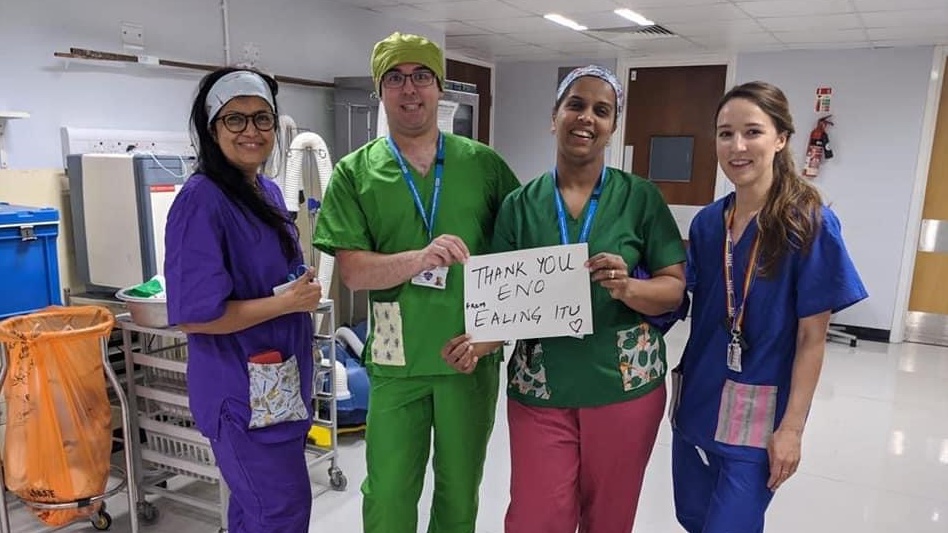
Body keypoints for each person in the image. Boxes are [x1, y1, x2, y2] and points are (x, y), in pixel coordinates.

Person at [446, 65, 688, 533]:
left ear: (613, 126)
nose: (587, 118)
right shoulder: (520, 205)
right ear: (554, 116)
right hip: (542, 386)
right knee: (537, 516)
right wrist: (477, 343)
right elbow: (502, 306)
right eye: (575, 104)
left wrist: (627, 287)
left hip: (623, 386)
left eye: (602, 110)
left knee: (609, 516)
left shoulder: (640, 198)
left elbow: (673, 289)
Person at [312, 32, 521, 533]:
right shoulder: (355, 173)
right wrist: (419, 258)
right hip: (394, 354)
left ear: (439, 87)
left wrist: (497, 335)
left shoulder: (482, 165)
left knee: (459, 488)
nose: (410, 90)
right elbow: (355, 272)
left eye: (422, 76)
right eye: (396, 78)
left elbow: (521, 256)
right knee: (387, 489)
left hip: (467, 352)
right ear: (380, 91)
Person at [670, 81, 868, 533]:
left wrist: (793, 430)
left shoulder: (808, 223)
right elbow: (683, 297)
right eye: (725, 133)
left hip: (757, 414)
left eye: (752, 132)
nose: (737, 146)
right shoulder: (706, 224)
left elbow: (812, 338)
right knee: (693, 518)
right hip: (698, 398)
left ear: (781, 139)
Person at [164, 67, 322, 533]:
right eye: (235, 120)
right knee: (279, 511)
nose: (251, 131)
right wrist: (287, 304)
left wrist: (297, 287)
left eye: (262, 119)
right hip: (240, 394)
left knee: (255, 509)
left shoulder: (265, 190)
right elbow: (198, 316)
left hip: (278, 386)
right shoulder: (201, 201)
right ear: (212, 129)